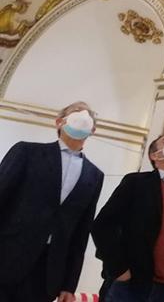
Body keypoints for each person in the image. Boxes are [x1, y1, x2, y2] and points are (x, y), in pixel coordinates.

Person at [0, 102, 104, 302]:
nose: (82, 115)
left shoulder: (94, 175)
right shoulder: (27, 152)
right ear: (59, 122)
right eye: (76, 112)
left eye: (87, 114)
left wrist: (69, 285)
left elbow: (81, 233)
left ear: (92, 130)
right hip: (7, 255)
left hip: (48, 270)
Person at [92, 134, 164, 302]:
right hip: (130, 284)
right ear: (155, 155)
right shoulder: (136, 183)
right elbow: (103, 225)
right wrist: (119, 269)